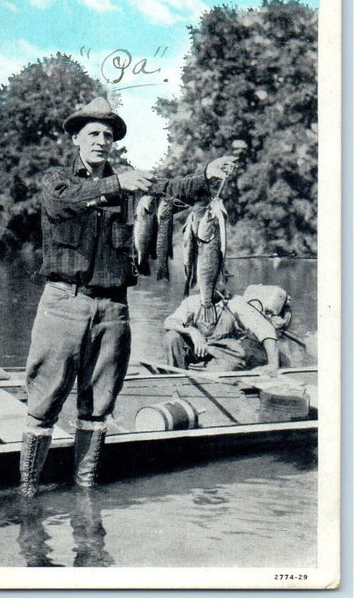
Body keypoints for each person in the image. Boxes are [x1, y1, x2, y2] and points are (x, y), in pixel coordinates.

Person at [19, 96, 238, 498]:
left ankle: (85, 491)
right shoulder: (57, 179)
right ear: (75, 139)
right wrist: (116, 183)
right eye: (93, 134)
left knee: (99, 405)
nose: (102, 141)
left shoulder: (133, 185)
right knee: (44, 401)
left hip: (114, 307)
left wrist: (206, 173)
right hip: (63, 302)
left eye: (108, 135)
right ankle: (28, 494)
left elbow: (173, 188)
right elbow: (61, 202)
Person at [163, 284, 292, 374]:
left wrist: (273, 365)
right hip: (199, 351)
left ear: (224, 282)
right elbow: (171, 321)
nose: (211, 284)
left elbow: (265, 329)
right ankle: (176, 379)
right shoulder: (192, 301)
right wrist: (191, 330)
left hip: (226, 353)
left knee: (221, 369)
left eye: (216, 280)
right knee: (172, 337)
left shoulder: (236, 303)